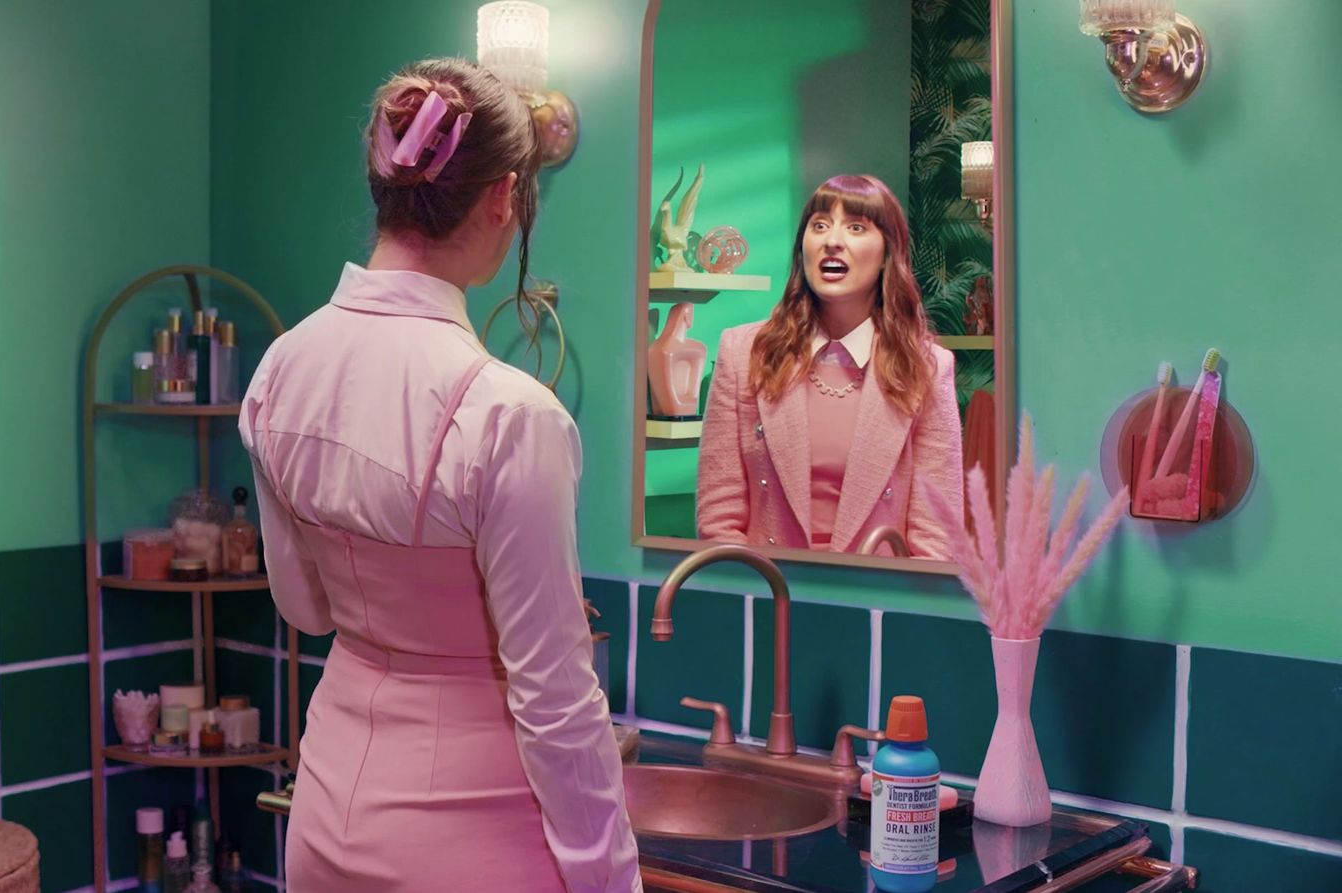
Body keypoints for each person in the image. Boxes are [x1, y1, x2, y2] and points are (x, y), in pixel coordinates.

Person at [239, 58, 641, 892]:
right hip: (474, 838)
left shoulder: (280, 369)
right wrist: (610, 879)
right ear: (502, 198)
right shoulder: (509, 416)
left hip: (325, 812)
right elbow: (557, 699)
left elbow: (306, 607)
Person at [696, 174, 963, 558]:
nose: (832, 240)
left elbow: (936, 536)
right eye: (819, 225)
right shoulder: (744, 352)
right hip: (767, 595)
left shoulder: (928, 367)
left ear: (888, 252)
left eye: (856, 227)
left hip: (877, 604)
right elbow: (719, 518)